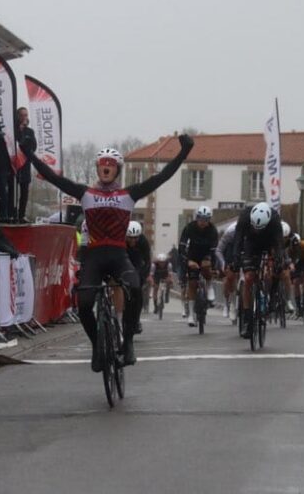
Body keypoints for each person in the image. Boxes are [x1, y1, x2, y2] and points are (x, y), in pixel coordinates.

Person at [23, 134, 194, 371]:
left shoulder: (129, 195)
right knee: (83, 304)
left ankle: (129, 341)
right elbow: (53, 177)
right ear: (97, 168)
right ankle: (96, 345)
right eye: (102, 164)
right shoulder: (85, 194)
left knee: (134, 287)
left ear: (118, 170)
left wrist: (184, 152)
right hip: (93, 257)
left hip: (117, 256)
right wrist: (29, 154)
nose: (106, 168)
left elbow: (162, 177)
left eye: (111, 165)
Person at [230, 202, 284, 338]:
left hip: (269, 242)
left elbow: (279, 243)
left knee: (275, 269)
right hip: (251, 244)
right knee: (248, 278)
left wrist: (278, 259)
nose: (257, 229)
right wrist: (235, 259)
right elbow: (237, 239)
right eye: (255, 227)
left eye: (260, 228)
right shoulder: (244, 217)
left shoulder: (274, 219)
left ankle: (272, 297)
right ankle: (248, 319)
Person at [179, 205, 219, 327]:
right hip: (192, 255)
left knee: (206, 268)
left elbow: (214, 250)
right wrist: (188, 262)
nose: (203, 222)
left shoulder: (212, 230)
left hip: (206, 254)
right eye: (201, 219)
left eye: (206, 219)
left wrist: (212, 264)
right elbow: (182, 247)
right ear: (196, 218)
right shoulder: (189, 228)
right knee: (192, 283)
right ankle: (191, 314)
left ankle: (210, 285)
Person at [11, 107, 37, 222]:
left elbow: (33, 146)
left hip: (25, 164)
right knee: (12, 189)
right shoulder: (13, 130)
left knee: (24, 190)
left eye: (26, 115)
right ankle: (12, 213)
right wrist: (20, 131)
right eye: (22, 115)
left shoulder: (30, 131)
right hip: (14, 164)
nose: (24, 118)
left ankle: (21, 215)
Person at [125, 221, 151, 332]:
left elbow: (147, 262)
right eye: (130, 238)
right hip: (124, 262)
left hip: (137, 264)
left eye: (135, 238)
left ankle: (136, 320)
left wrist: (143, 277)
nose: (133, 241)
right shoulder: (121, 240)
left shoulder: (143, 242)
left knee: (138, 293)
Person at [215, 222, 238, 318]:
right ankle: (228, 304)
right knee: (228, 280)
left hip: (243, 259)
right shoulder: (228, 238)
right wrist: (223, 264)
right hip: (230, 260)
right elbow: (219, 251)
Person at [289, 232, 304, 313]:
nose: (296, 247)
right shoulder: (289, 249)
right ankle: (298, 305)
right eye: (294, 246)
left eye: (297, 245)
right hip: (296, 262)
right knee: (296, 281)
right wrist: (291, 265)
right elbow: (289, 260)